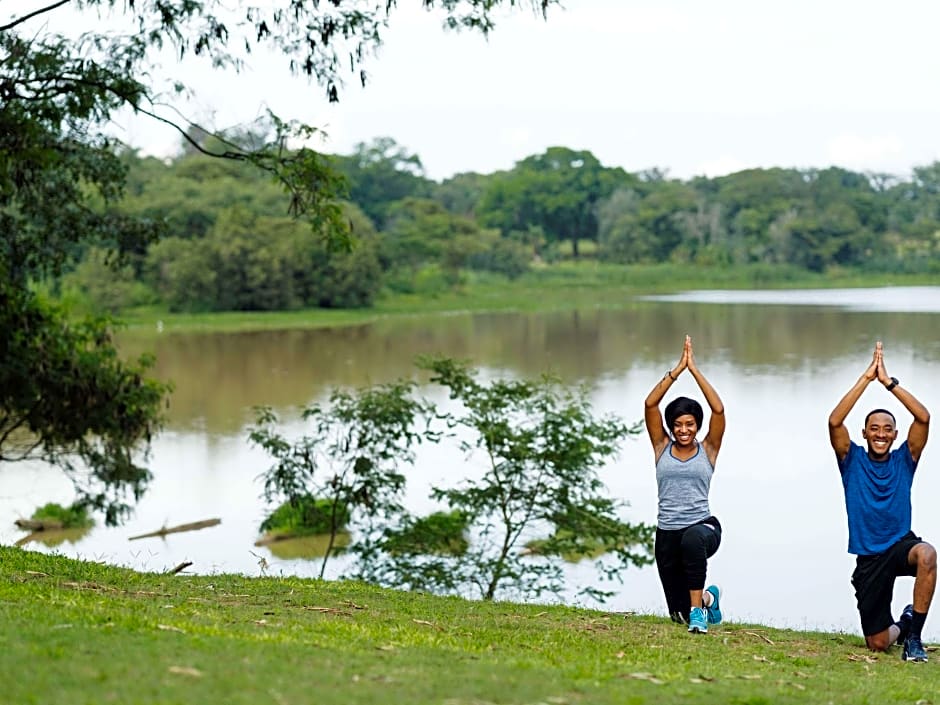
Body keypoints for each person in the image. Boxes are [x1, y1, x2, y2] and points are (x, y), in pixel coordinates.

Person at [828, 341, 936, 662]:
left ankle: (914, 639)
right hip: (870, 558)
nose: (880, 434)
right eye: (874, 428)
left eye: (887, 429)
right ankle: (905, 625)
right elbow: (834, 422)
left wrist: (888, 383)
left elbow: (924, 418)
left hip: (900, 544)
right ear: (864, 433)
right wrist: (866, 378)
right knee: (877, 643)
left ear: (894, 434)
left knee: (927, 554)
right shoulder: (851, 459)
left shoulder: (905, 459)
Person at [644, 335, 725, 634]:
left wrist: (695, 371)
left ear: (697, 426)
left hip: (704, 527)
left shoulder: (709, 449)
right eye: (678, 424)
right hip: (667, 534)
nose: (683, 430)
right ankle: (706, 600)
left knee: (692, 540)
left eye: (689, 424)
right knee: (676, 616)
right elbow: (650, 403)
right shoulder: (660, 446)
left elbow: (719, 410)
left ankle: (697, 614)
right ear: (671, 426)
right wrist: (677, 370)